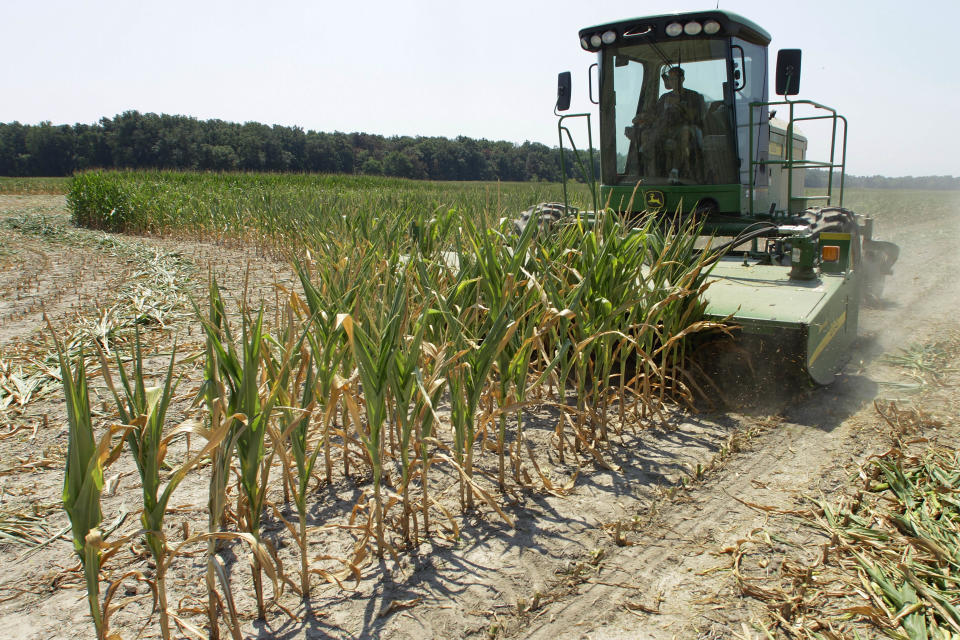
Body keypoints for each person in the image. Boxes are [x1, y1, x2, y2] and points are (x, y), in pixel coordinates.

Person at [630, 67, 706, 181]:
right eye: (671, 79)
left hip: (685, 128)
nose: (673, 82)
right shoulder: (665, 98)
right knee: (645, 133)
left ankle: (674, 170)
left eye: (676, 79)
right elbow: (654, 115)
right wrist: (642, 117)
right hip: (665, 130)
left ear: (683, 79)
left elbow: (698, 117)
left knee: (682, 130)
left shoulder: (694, 96)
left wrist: (681, 107)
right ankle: (645, 176)